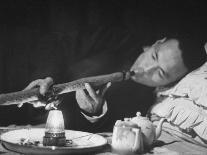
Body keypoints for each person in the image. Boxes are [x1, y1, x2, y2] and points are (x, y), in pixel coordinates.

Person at [30, 33, 207, 140]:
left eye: (160, 73)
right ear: (156, 43)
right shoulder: (117, 38)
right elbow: (59, 43)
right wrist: (46, 76)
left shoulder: (142, 103)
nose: (146, 70)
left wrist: (94, 113)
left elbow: (103, 132)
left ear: (169, 84)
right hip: (24, 83)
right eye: (153, 57)